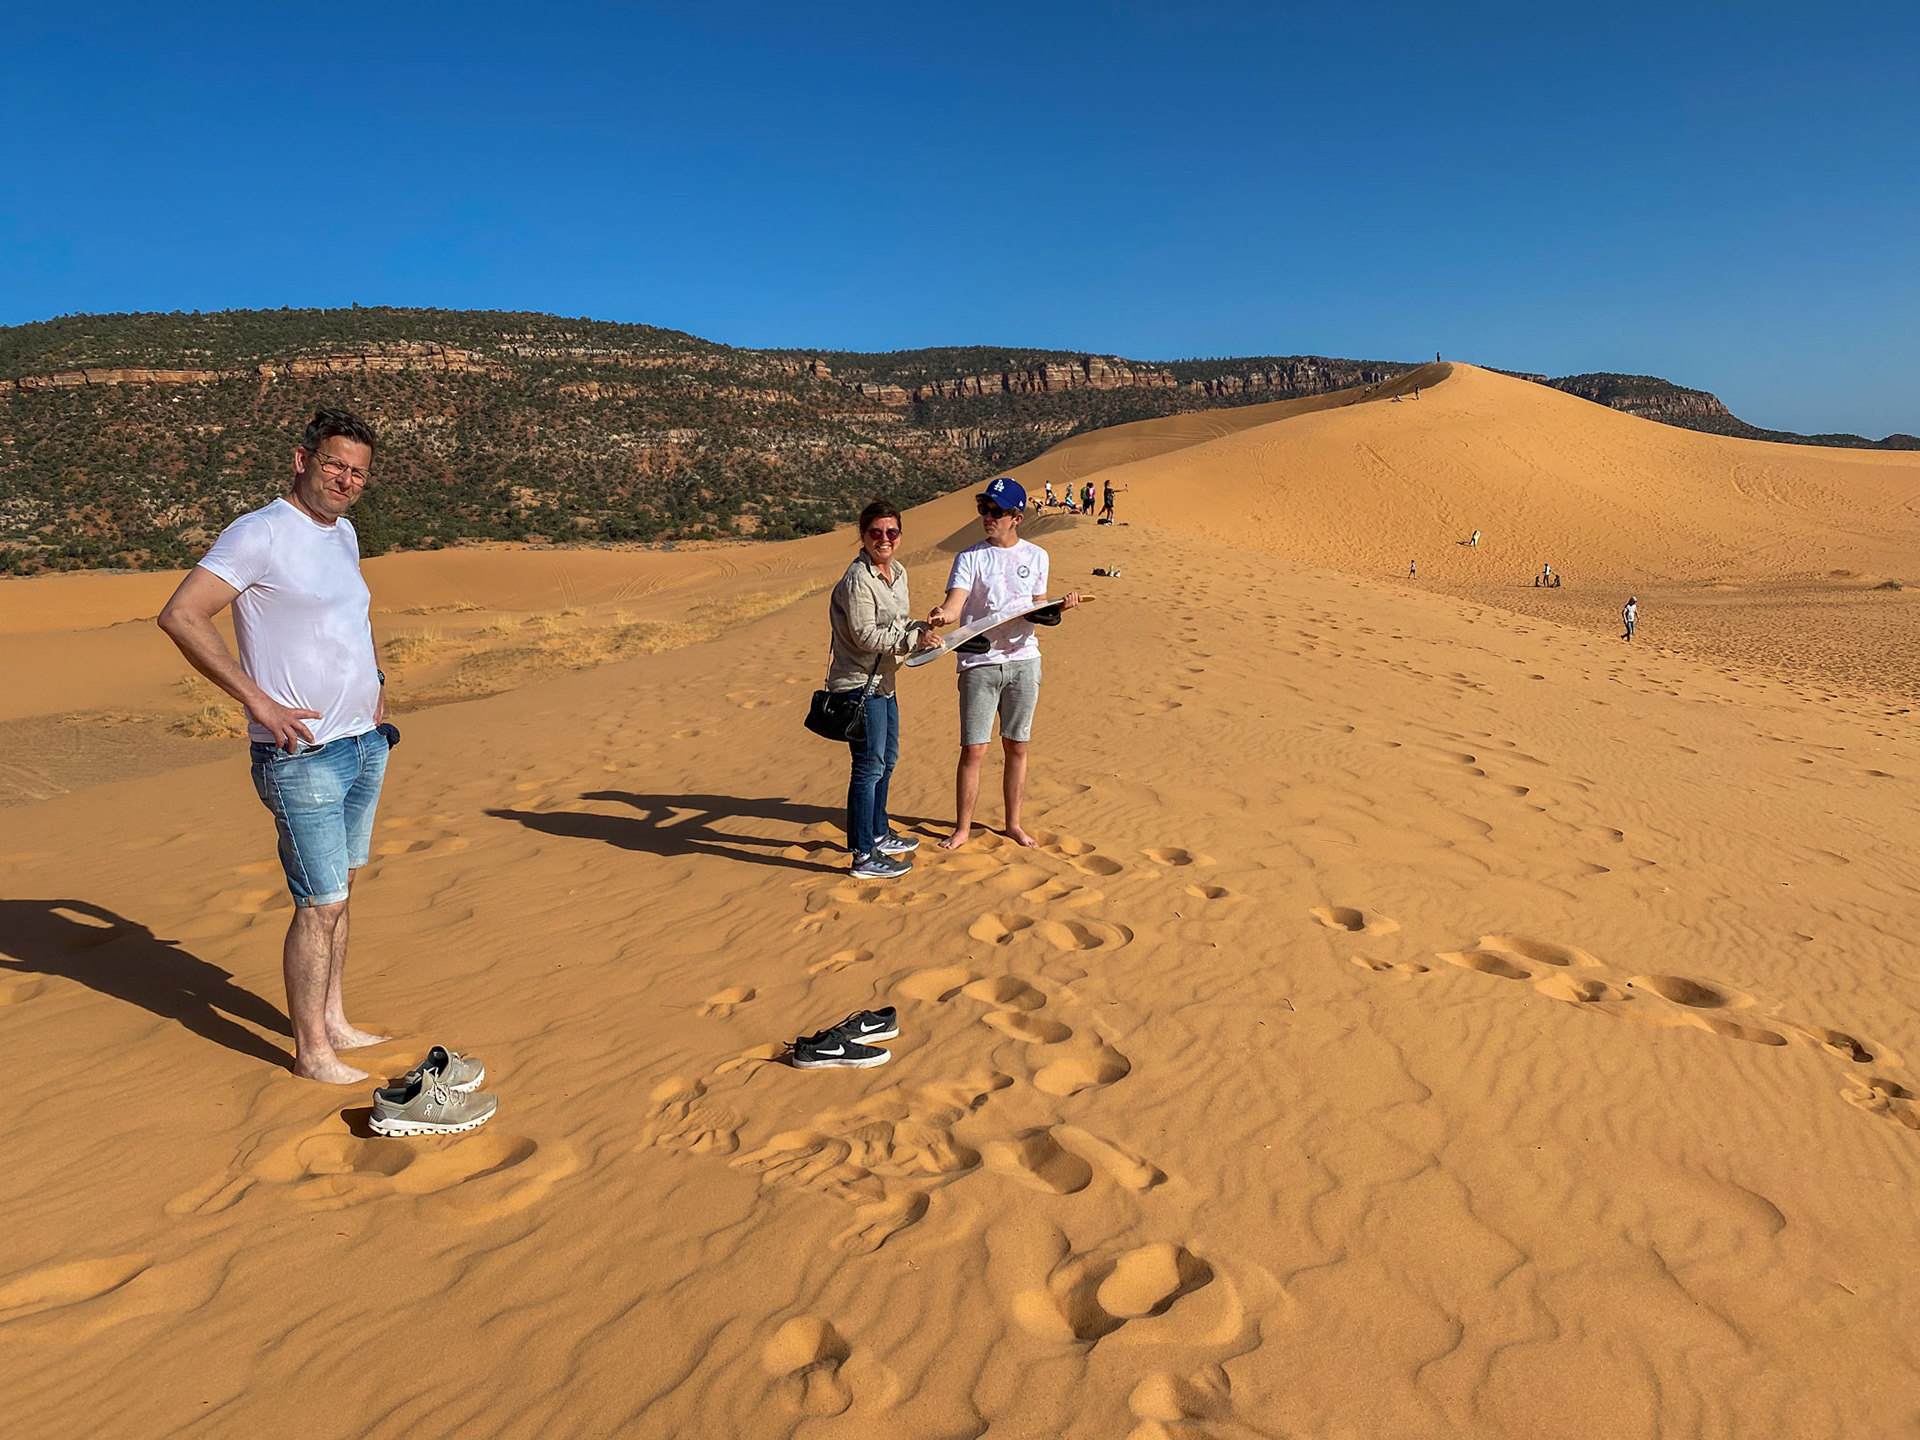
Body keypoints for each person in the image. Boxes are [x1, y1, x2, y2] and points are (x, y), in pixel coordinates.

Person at [157, 406, 394, 1085]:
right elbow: (181, 614)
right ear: (302, 460)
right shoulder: (258, 533)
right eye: (335, 465)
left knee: (341, 892)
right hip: (303, 756)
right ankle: (311, 1052)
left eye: (358, 472)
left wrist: (375, 681)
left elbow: (355, 615)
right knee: (317, 904)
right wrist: (256, 700)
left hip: (362, 743)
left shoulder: (344, 534)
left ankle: (337, 1021)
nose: (346, 480)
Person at [926, 478, 1078, 849]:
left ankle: (1013, 824)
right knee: (974, 749)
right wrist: (942, 616)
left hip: (1025, 661)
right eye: (983, 509)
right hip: (980, 661)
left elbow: (1036, 606)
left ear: (1016, 517)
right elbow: (955, 603)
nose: (987, 517)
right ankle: (963, 829)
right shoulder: (970, 557)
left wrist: (1058, 609)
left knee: (1017, 746)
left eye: (995, 511)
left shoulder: (1037, 556)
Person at [826, 501, 935, 880]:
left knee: (887, 759)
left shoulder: (898, 572)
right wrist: (912, 642)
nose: (884, 539)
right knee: (867, 768)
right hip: (859, 686)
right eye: (876, 532)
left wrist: (923, 626)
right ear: (863, 534)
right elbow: (865, 634)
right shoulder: (858, 578)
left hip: (885, 682)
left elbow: (899, 623)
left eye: (891, 532)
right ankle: (862, 855)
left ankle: (877, 831)